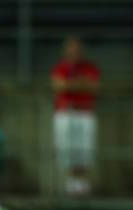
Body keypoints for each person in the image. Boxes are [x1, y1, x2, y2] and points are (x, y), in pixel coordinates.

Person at [51, 36, 100, 196]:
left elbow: (93, 86)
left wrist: (70, 85)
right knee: (66, 149)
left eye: (77, 49)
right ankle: (68, 185)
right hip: (66, 112)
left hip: (84, 113)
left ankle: (82, 185)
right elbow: (58, 86)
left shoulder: (90, 67)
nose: (74, 52)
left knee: (84, 150)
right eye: (71, 49)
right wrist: (80, 84)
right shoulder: (60, 68)